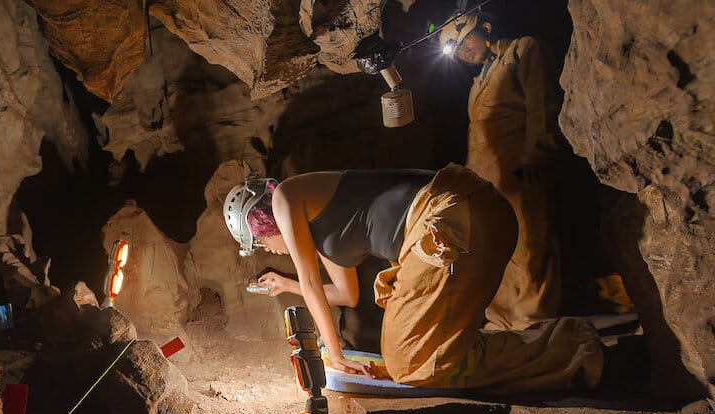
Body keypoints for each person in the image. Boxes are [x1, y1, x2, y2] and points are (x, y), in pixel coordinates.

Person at [224, 165, 603, 393]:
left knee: (409, 360)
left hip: (450, 215)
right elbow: (345, 294)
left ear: (260, 225)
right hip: (463, 220)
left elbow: (310, 283)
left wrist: (334, 355)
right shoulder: (321, 233)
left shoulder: (286, 195)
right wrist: (285, 285)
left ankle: (570, 349)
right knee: (416, 351)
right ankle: (567, 345)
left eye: (258, 244)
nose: (267, 251)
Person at [439, 13, 563, 330]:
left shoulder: (524, 50)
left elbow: (541, 104)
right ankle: (499, 320)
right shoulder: (477, 82)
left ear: (487, 28)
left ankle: (533, 321)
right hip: (486, 181)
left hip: (518, 170)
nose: (464, 51)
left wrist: (537, 153)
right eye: (459, 48)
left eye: (466, 40)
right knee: (495, 250)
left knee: (529, 245)